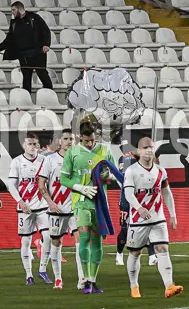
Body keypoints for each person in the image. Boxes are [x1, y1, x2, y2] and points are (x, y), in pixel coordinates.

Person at [123, 137, 183, 299]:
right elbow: (128, 193)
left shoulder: (161, 171)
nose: (149, 150)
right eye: (145, 147)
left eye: (151, 147)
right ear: (139, 151)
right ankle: (134, 286)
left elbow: (167, 193)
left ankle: (169, 285)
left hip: (158, 218)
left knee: (163, 249)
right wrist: (139, 208)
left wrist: (173, 214)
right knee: (135, 253)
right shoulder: (132, 171)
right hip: (138, 220)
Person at [60, 121, 115, 294]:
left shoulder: (105, 150)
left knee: (97, 242)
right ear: (80, 138)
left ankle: (93, 280)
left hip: (99, 203)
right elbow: (64, 179)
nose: (90, 144)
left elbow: (114, 174)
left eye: (92, 140)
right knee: (83, 239)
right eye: (86, 141)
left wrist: (108, 176)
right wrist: (81, 188)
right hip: (81, 202)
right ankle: (84, 280)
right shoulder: (73, 152)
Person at [38, 129, 85, 290]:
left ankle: (82, 277)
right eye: (65, 138)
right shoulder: (49, 160)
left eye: (71, 139)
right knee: (56, 242)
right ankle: (58, 278)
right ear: (59, 141)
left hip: (75, 208)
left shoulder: (79, 160)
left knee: (80, 241)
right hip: (56, 209)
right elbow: (41, 185)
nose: (68, 141)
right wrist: (50, 203)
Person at [8, 132, 51, 286]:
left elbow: (51, 183)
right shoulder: (17, 162)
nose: (32, 147)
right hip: (25, 208)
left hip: (43, 206)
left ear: (38, 145)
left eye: (34, 144)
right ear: (23, 145)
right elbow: (11, 185)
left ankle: (42, 270)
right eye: (29, 144)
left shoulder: (45, 160)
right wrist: (20, 202)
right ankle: (28, 275)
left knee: (49, 237)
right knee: (26, 241)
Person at [0, 1, 53, 93]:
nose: (12, 12)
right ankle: (27, 95)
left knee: (42, 74)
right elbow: (10, 38)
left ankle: (50, 93)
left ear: (20, 9)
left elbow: (45, 30)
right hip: (23, 54)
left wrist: (46, 44)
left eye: (13, 10)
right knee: (26, 77)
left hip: (38, 52)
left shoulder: (34, 17)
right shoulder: (14, 23)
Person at [116, 152, 159, 267]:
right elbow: (123, 179)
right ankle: (119, 254)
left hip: (142, 198)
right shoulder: (126, 159)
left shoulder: (146, 160)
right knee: (125, 228)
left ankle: (152, 256)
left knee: (148, 226)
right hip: (126, 198)